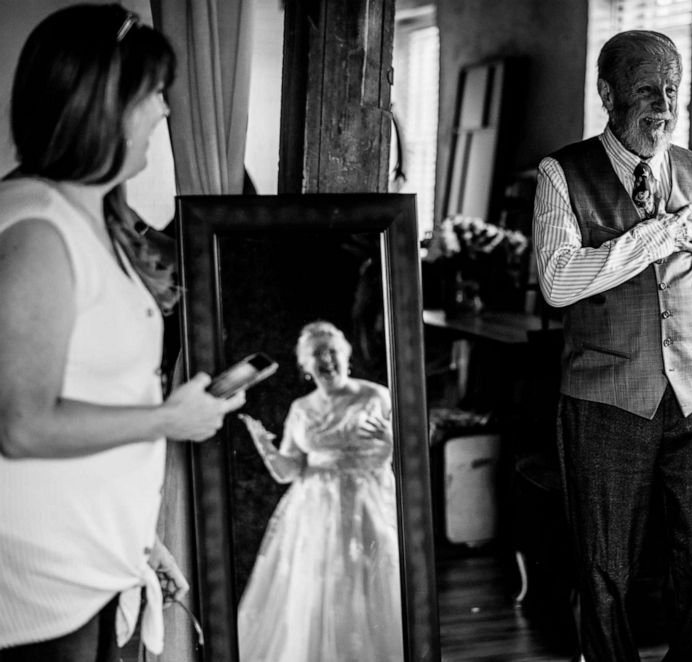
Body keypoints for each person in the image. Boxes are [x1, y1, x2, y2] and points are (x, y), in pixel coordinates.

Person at [0, 4, 246, 661]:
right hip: (42, 584)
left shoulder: (100, 218)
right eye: (152, 94)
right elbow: (21, 423)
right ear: (98, 104)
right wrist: (170, 419)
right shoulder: (35, 233)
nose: (167, 111)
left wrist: (139, 538)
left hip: (99, 560)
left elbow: (95, 388)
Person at [532, 30, 692, 661]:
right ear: (607, 94)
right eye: (645, 90)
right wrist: (659, 236)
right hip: (606, 402)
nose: (662, 105)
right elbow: (557, 281)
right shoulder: (561, 174)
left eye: (671, 89)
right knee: (605, 572)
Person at [237, 321, 402, 662]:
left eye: (333, 351)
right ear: (305, 366)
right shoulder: (301, 409)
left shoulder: (375, 396)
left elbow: (406, 457)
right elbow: (289, 471)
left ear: (347, 356)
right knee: (319, 590)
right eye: (317, 354)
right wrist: (265, 446)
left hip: (368, 503)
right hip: (316, 511)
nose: (327, 359)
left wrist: (392, 443)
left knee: (373, 584)